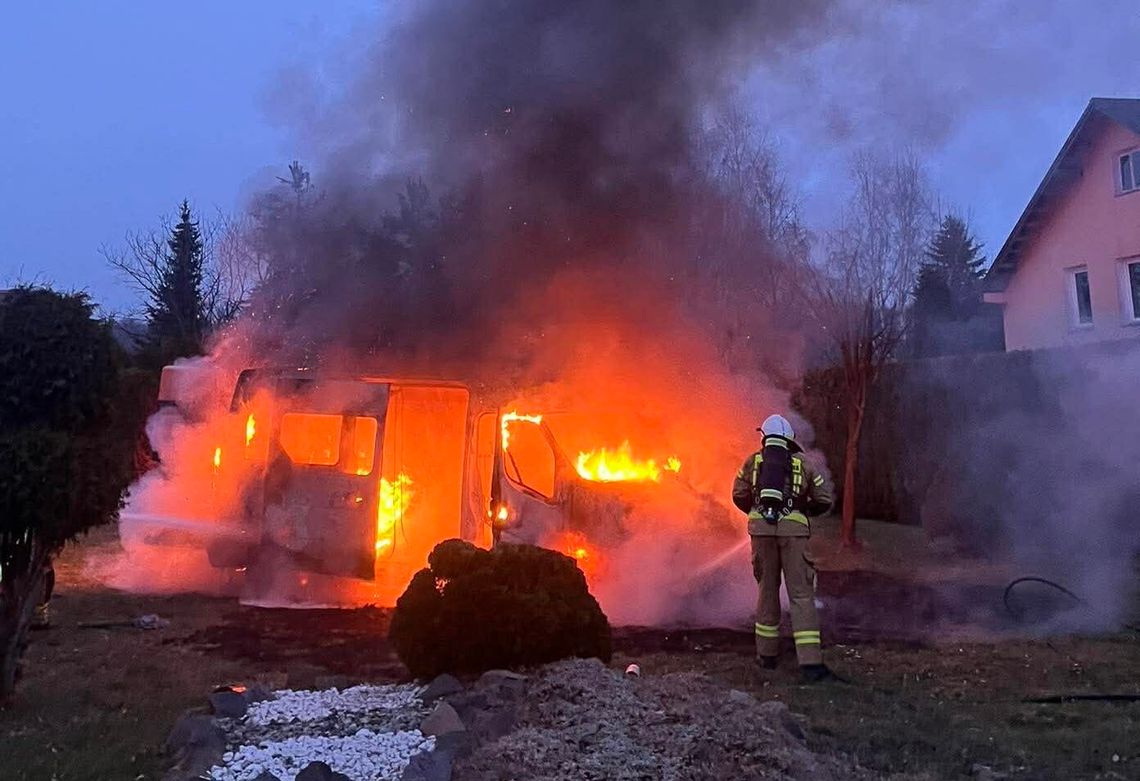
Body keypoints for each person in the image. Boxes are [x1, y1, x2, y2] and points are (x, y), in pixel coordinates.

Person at [732, 414, 835, 682]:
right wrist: (802, 510)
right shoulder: (804, 464)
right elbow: (824, 499)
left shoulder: (753, 462)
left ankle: (766, 657)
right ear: (790, 440)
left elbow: (738, 494)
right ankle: (810, 664)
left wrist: (758, 513)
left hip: (761, 532)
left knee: (767, 591)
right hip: (794, 533)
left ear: (764, 437)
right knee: (801, 594)